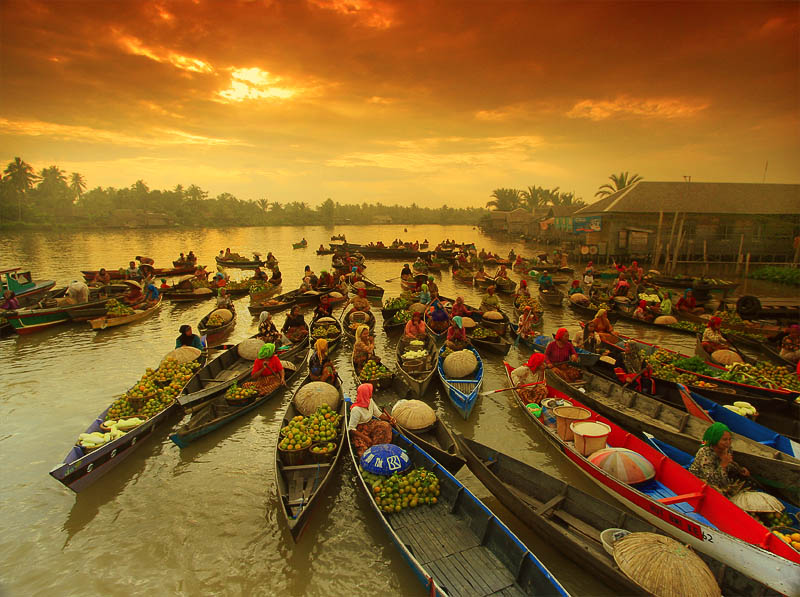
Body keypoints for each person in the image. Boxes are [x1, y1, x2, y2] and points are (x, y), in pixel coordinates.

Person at [688, 422, 751, 497]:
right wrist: (723, 465)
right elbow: (711, 479)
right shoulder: (705, 453)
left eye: (730, 439)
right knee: (719, 494)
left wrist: (739, 470)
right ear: (715, 439)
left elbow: (729, 465)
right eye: (724, 440)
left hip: (721, 477)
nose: (728, 443)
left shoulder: (727, 449)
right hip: (701, 481)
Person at [349, 383, 395, 458]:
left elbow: (378, 414)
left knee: (386, 426)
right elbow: (351, 429)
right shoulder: (356, 410)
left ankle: (378, 448)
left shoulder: (370, 401)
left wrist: (390, 419)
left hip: (369, 424)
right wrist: (366, 438)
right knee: (364, 452)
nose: (371, 394)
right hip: (359, 430)